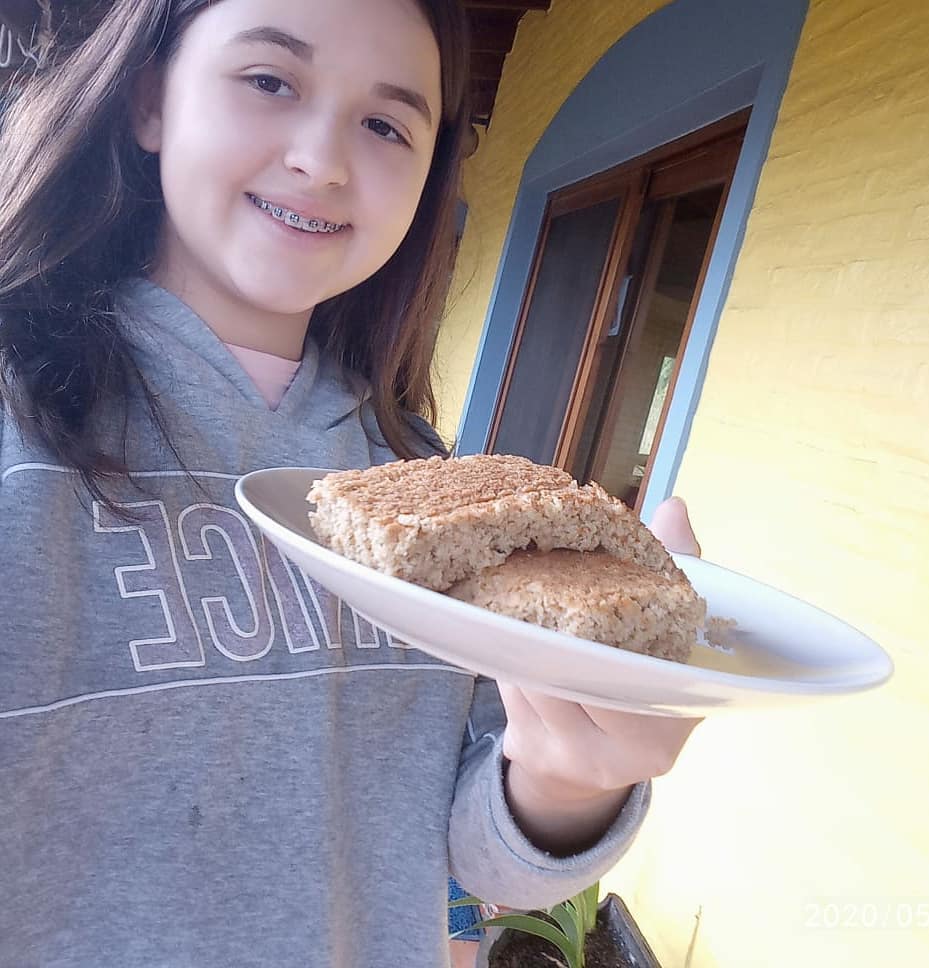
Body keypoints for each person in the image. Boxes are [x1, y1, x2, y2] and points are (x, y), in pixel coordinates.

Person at [0, 1, 702, 966]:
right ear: (149, 98)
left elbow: (478, 863)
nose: (324, 161)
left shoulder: (419, 481)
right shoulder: (19, 421)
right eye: (270, 81)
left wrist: (570, 778)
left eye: (385, 125)